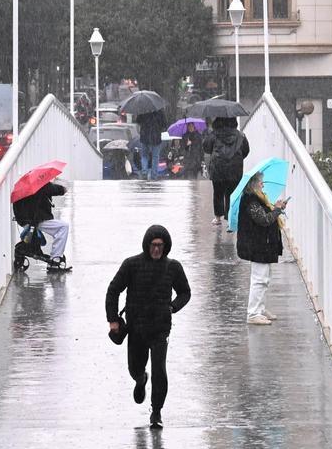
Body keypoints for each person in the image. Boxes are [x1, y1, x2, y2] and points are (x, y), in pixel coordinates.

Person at [106, 225, 191, 428]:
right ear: (147, 245)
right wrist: (113, 320)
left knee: (159, 369)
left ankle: (156, 412)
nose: (156, 250)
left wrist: (172, 307)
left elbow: (185, 292)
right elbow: (113, 289)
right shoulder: (131, 265)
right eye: (153, 245)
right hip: (136, 326)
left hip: (160, 328)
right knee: (135, 367)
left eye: (160, 246)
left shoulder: (173, 267)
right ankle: (140, 378)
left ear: (166, 247)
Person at [236, 172, 288, 324]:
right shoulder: (251, 201)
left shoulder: (259, 199)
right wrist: (277, 210)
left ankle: (260, 308)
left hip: (262, 245)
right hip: (256, 245)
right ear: (253, 184)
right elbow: (264, 220)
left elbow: (266, 216)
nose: (263, 185)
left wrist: (277, 207)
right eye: (260, 182)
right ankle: (253, 313)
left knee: (264, 278)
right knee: (259, 279)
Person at [203, 117, 250, 225]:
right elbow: (246, 150)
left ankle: (218, 217)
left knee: (218, 193)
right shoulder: (240, 135)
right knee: (232, 193)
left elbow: (206, 148)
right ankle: (230, 218)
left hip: (218, 168)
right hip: (235, 169)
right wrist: (237, 158)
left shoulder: (214, 134)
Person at [12, 180, 69, 267]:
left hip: (25, 219)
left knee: (56, 228)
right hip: (36, 219)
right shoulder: (41, 184)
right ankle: (55, 258)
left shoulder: (25, 188)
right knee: (63, 227)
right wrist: (64, 189)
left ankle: (53, 257)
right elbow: (55, 189)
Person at [136, 109, 167, 180]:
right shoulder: (160, 111)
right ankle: (154, 175)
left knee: (144, 155)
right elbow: (164, 124)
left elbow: (138, 121)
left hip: (145, 137)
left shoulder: (143, 110)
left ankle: (144, 171)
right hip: (156, 137)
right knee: (155, 157)